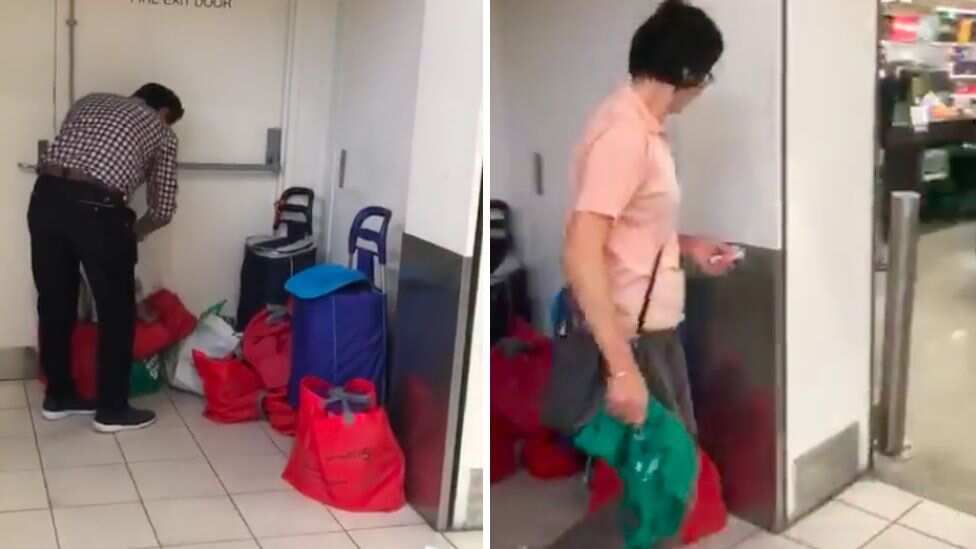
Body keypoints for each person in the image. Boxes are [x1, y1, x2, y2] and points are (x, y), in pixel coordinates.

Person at [550, 1, 734, 546]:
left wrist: (688, 246)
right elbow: (582, 250)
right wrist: (623, 369)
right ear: (687, 74)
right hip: (630, 338)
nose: (704, 88)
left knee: (659, 480)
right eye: (705, 74)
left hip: (648, 333)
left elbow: (626, 231)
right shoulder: (625, 135)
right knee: (661, 481)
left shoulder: (642, 129)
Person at [29, 83, 183, 433]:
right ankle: (112, 409)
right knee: (117, 311)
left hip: (45, 199)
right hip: (99, 209)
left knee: (55, 302)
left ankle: (59, 396)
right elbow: (162, 208)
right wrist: (136, 230)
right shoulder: (161, 132)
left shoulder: (89, 101)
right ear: (163, 114)